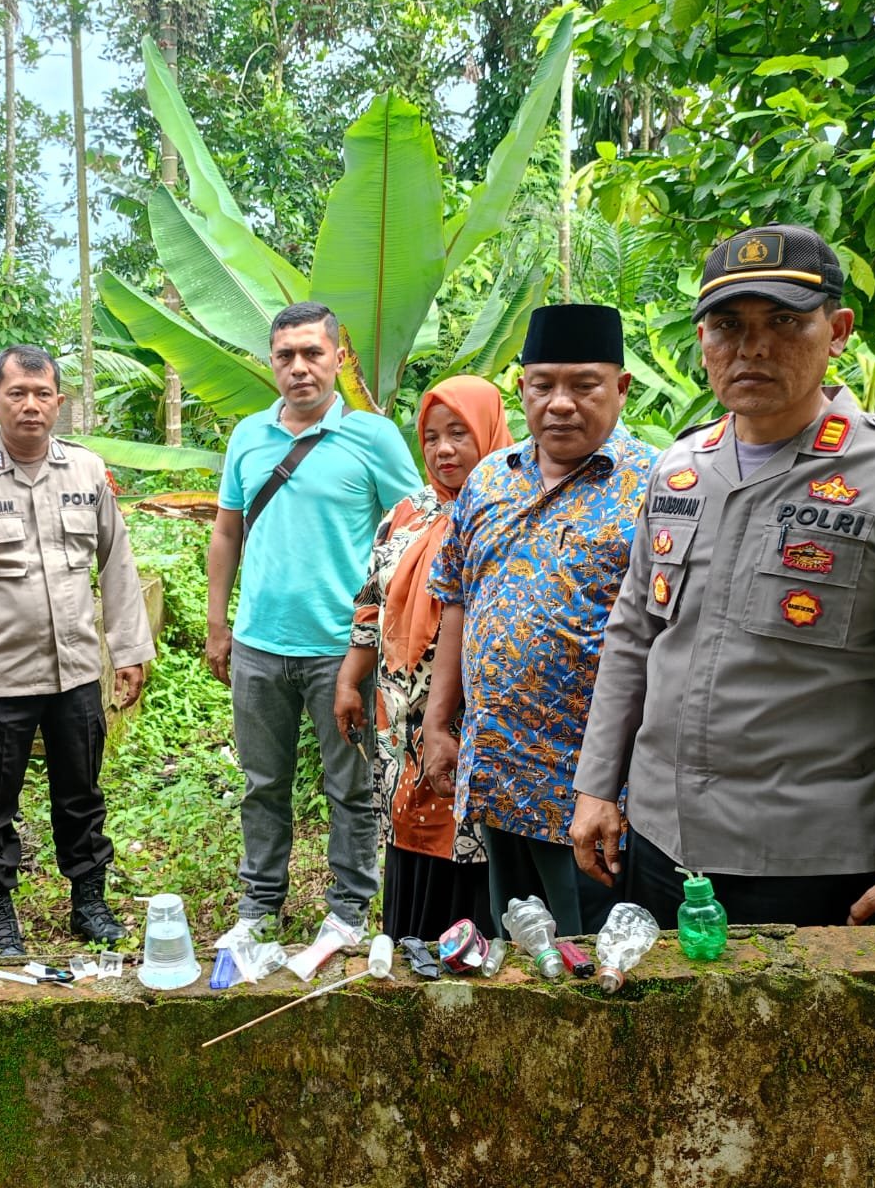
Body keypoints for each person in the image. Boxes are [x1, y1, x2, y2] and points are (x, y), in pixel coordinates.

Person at [570, 223, 875, 928]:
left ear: (838, 332)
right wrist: (594, 788)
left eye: (785, 322)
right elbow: (634, 635)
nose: (754, 347)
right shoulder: (680, 469)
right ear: (702, 341)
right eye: (728, 326)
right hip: (656, 843)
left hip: (808, 862)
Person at [418, 305, 655, 938]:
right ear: (521, 389)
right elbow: (457, 600)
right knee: (516, 949)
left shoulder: (657, 486)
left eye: (584, 385)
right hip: (498, 774)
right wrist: (440, 724)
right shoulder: (490, 479)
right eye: (543, 384)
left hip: (595, 793)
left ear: (621, 387)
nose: (560, 403)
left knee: (596, 954)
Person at [207, 301, 422, 946]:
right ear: (271, 362)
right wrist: (218, 625)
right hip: (258, 644)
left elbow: (412, 529)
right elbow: (226, 532)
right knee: (261, 784)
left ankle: (349, 910)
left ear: (336, 357)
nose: (299, 367)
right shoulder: (248, 436)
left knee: (350, 786)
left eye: (312, 353)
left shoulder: (373, 437)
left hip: (342, 651)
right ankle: (258, 907)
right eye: (285, 356)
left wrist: (388, 631)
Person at [0, 344, 155, 955]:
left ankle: (89, 903)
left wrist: (130, 649)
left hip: (77, 671)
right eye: (17, 394)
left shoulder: (87, 472)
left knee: (82, 794)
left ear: (60, 401)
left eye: (42, 395)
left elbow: (116, 563)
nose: (30, 406)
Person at [334, 376, 512, 941]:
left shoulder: (509, 511)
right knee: (409, 833)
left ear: (489, 432)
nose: (444, 450)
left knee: (468, 840)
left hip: (471, 717)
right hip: (399, 718)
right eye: (432, 437)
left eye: (459, 433)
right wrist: (349, 680)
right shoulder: (407, 513)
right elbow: (371, 603)